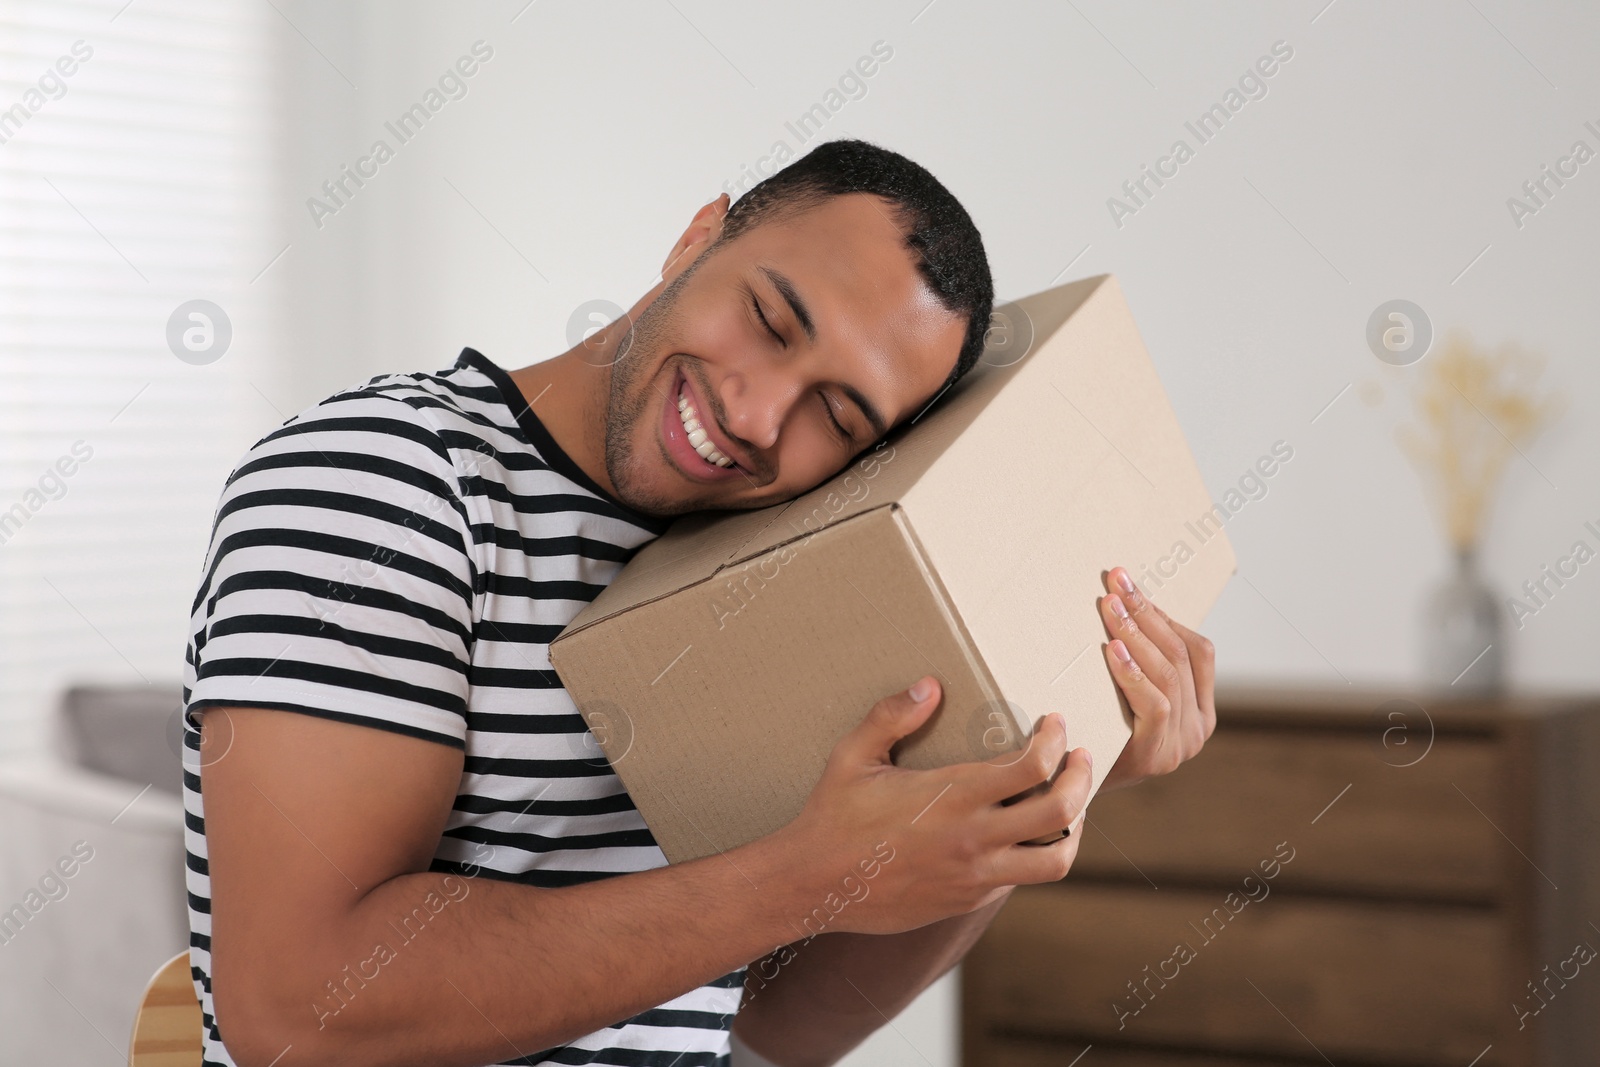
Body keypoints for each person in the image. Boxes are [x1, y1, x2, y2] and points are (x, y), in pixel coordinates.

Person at [183, 138, 1216, 1067]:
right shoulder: (387, 482)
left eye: (839, 414)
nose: (759, 414)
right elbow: (301, 1007)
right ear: (695, 237)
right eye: (769, 318)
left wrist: (1019, 806)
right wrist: (804, 873)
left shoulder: (774, 569)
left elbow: (783, 1027)